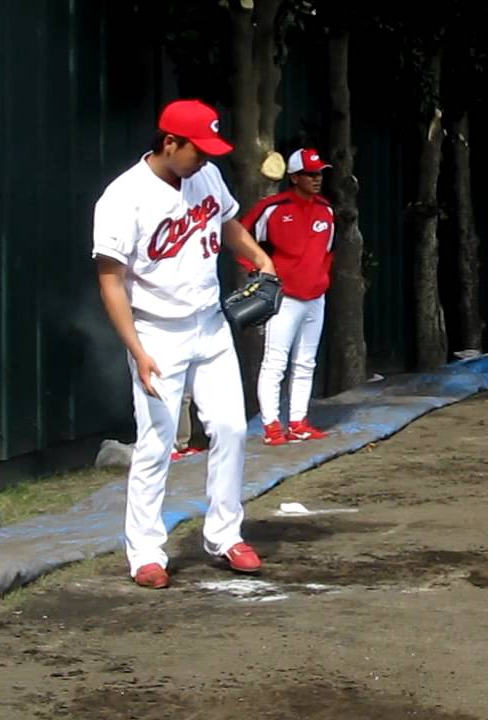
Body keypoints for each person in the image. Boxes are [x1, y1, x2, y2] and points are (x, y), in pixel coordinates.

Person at [92, 99, 276, 589]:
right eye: (199, 148)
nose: (206, 158)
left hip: (210, 324)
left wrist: (260, 258)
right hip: (156, 331)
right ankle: (145, 553)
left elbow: (226, 222)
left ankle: (224, 534)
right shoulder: (123, 197)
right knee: (157, 443)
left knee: (232, 428)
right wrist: (137, 350)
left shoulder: (206, 176)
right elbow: (110, 280)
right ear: (169, 142)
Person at [238, 148, 336, 446]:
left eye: (320, 173)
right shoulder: (273, 208)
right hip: (285, 298)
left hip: (316, 296)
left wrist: (321, 278)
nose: (317, 179)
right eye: (310, 174)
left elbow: (328, 251)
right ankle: (271, 426)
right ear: (294, 177)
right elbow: (241, 237)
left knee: (306, 362)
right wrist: (258, 273)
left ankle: (298, 422)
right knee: (275, 362)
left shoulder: (326, 210)